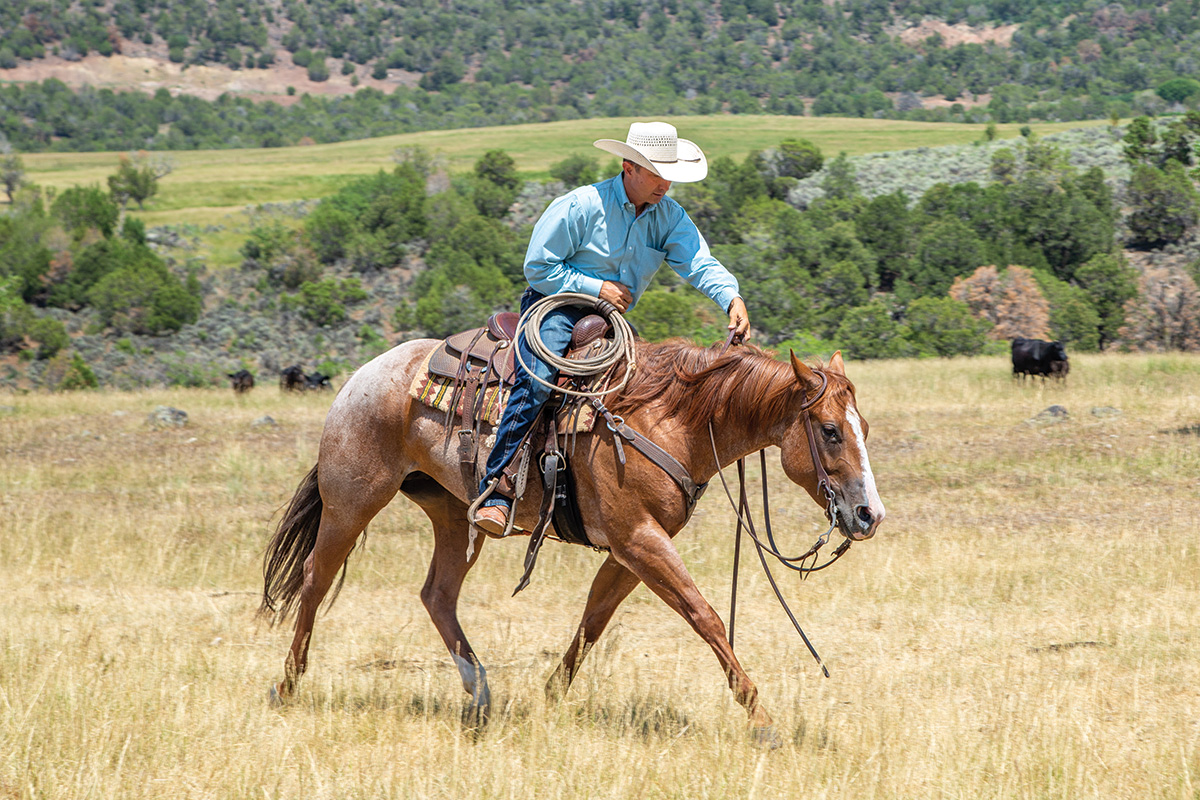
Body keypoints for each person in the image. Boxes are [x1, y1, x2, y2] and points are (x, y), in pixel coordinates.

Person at [472, 121, 751, 535]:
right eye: (655, 173)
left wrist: (731, 297)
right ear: (628, 167)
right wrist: (594, 285)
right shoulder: (581, 206)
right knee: (537, 379)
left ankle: (619, 491)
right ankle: (497, 488)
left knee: (648, 386)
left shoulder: (669, 216)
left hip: (611, 320)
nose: (665, 184)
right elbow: (537, 266)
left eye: (668, 173)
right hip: (555, 305)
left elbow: (698, 262)